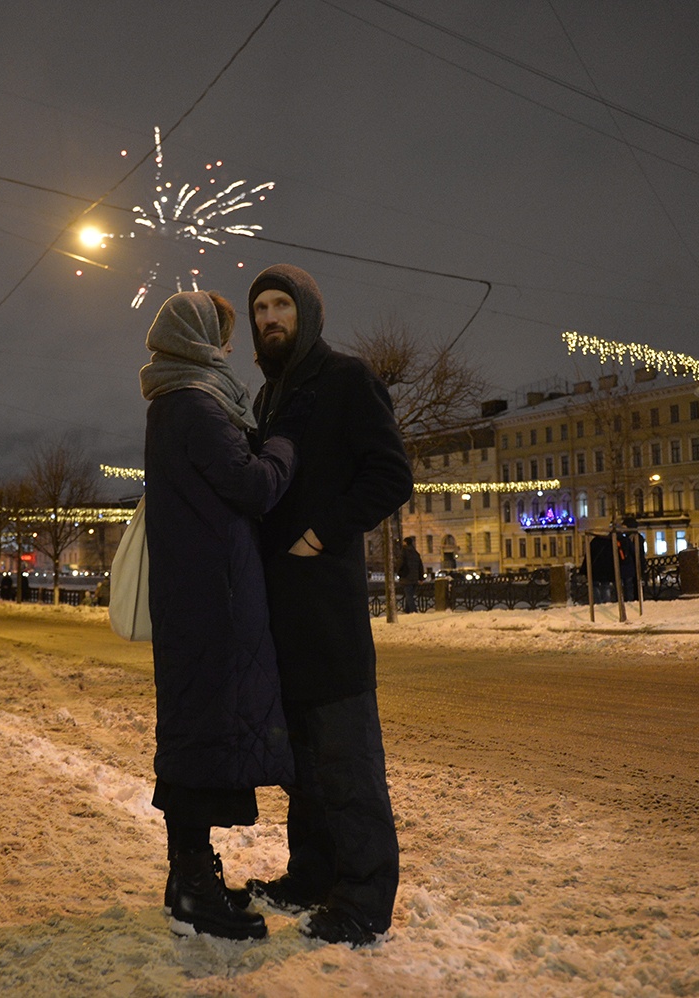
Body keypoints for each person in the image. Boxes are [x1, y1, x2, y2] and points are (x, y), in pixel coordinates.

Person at [242, 264, 413, 947]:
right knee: (304, 763)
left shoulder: (347, 378)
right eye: (261, 309)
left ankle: (366, 899)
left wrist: (324, 532)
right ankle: (311, 876)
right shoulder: (267, 397)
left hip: (330, 608)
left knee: (348, 762)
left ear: (307, 314)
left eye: (282, 305)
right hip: (283, 612)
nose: (270, 318)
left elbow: (391, 474)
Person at [141, 290, 303, 941]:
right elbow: (253, 485)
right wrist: (284, 445)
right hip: (211, 599)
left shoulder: (178, 397)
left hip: (201, 593)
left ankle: (191, 877)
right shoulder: (195, 403)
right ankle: (191, 885)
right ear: (196, 336)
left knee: (198, 731)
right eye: (222, 330)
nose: (231, 342)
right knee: (201, 736)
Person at [397, 536, 424, 613]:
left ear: (405, 543)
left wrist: (399, 572)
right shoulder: (416, 553)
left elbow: (400, 563)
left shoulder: (404, 552)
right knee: (410, 595)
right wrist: (421, 578)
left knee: (409, 596)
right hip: (415, 578)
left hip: (406, 577)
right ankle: (407, 611)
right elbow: (420, 566)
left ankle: (413, 611)